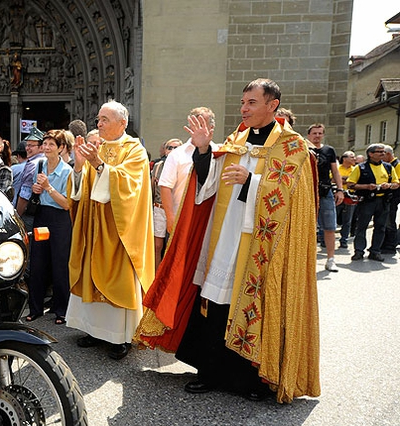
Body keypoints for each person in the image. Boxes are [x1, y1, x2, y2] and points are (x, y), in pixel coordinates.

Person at [135, 78, 320, 403]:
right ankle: (210, 371)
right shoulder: (235, 141)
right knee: (216, 306)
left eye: (251, 102)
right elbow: (206, 186)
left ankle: (254, 379)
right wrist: (204, 150)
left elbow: (294, 201)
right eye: (242, 102)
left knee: (253, 305)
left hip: (263, 246)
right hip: (225, 238)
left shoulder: (293, 147)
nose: (243, 109)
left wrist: (252, 182)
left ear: (272, 105)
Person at [67, 100, 155, 361]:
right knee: (91, 275)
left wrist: (99, 165)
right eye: (98, 119)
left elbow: (130, 188)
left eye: (105, 119)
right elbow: (83, 188)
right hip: (94, 227)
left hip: (119, 230)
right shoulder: (98, 147)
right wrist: (80, 165)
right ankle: (93, 330)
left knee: (118, 278)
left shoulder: (135, 150)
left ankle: (120, 337)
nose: (99, 124)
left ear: (123, 123)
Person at [25, 130, 73, 325]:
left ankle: (62, 310)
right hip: (42, 215)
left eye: (51, 144)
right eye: (44, 144)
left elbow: (67, 204)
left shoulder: (67, 171)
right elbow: (35, 191)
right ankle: (35, 308)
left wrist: (47, 188)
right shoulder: (40, 165)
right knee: (37, 263)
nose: (46, 148)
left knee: (60, 264)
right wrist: (36, 190)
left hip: (60, 219)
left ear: (61, 148)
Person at [159, 108, 216, 235]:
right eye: (194, 123)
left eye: (201, 123)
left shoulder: (218, 152)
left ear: (211, 126)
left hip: (209, 219)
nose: (197, 128)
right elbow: (165, 186)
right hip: (181, 218)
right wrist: (170, 217)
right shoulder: (177, 154)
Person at [347, 143, 399, 262]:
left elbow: (396, 183)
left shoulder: (388, 167)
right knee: (362, 226)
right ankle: (359, 251)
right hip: (367, 201)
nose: (382, 153)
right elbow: (350, 184)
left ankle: (375, 251)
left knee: (380, 227)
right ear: (370, 154)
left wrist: (390, 185)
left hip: (383, 201)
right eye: (379, 152)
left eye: (383, 152)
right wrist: (366, 186)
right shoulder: (360, 167)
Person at [307, 123, 344, 272]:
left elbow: (335, 172)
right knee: (307, 228)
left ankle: (330, 259)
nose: (317, 136)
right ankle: (308, 261)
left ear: (323, 135)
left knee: (330, 227)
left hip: (325, 191)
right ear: (309, 135)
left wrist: (340, 190)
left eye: (320, 133)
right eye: (314, 133)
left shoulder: (329, 150)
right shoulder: (304, 148)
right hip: (308, 192)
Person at [151, 138, 183, 268]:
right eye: (170, 147)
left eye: (176, 148)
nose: (173, 150)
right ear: (164, 150)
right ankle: (155, 277)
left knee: (173, 245)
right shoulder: (158, 166)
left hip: (176, 209)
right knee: (157, 246)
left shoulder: (185, 165)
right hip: (159, 208)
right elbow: (152, 188)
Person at [15, 127, 45, 231]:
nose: (27, 148)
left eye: (31, 145)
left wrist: (17, 217)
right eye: (27, 145)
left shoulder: (32, 164)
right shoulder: (47, 160)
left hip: (30, 214)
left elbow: (25, 194)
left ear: (41, 147)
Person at [380, 144, 400, 254]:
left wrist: (388, 185)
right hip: (389, 197)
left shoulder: (397, 165)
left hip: (394, 197)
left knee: (390, 221)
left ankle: (390, 245)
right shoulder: (389, 165)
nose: (381, 157)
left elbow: (398, 182)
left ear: (388, 154)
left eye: (383, 155)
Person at [337, 150, 358, 249]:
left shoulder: (356, 169)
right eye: (352, 157)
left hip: (350, 197)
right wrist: (347, 179)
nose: (354, 159)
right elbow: (333, 179)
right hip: (337, 196)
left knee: (347, 220)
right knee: (333, 218)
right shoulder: (336, 168)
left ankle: (344, 240)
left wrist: (343, 179)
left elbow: (355, 182)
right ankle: (325, 239)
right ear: (344, 159)